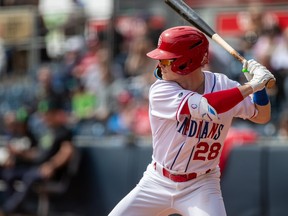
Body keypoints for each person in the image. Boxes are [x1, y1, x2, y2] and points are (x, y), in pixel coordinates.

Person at [108, 26, 275, 216]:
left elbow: (262, 116)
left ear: (187, 62)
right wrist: (253, 85)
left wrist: (259, 89)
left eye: (166, 59)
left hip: (201, 185)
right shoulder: (160, 90)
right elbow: (208, 107)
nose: (159, 64)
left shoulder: (224, 86)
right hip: (157, 182)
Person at [0, 96, 75, 215]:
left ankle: (8, 209)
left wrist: (51, 165)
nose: (45, 118)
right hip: (37, 167)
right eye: (44, 115)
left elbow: (67, 152)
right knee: (9, 174)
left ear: (55, 114)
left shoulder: (63, 131)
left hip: (51, 172)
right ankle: (20, 209)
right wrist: (22, 154)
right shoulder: (47, 133)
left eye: (48, 114)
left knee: (29, 177)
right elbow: (39, 153)